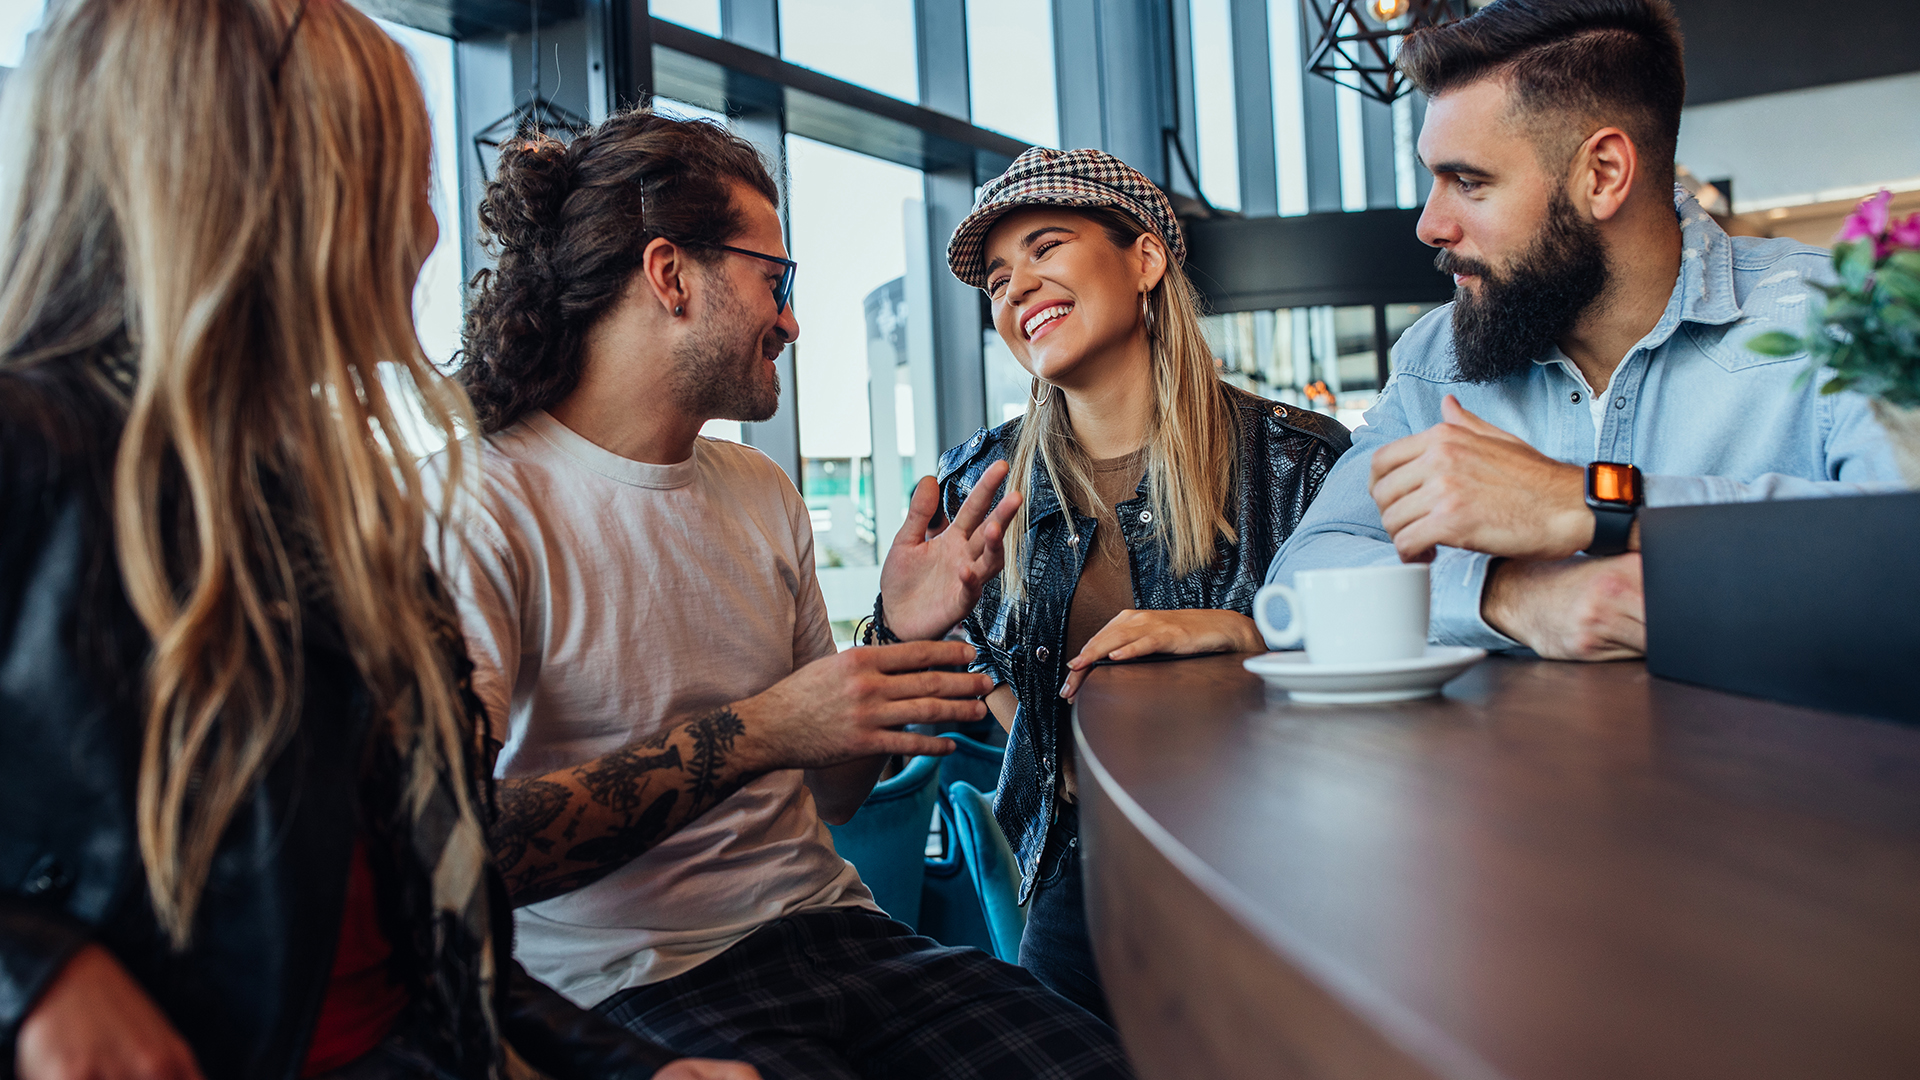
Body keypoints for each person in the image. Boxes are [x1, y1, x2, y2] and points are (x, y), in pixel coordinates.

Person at [0, 3, 756, 1079]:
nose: (429, 232)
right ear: (262, 185)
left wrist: (626, 1069)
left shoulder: (329, 509)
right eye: (399, 180)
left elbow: (439, 944)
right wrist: (35, 975)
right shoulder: (31, 446)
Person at [434, 108, 1135, 1080]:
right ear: (670, 274)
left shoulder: (759, 491)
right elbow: (465, 852)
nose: (794, 320)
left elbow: (835, 792)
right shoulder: (476, 504)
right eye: (777, 280)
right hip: (628, 984)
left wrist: (890, 634)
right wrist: (760, 729)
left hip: (836, 934)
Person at [1268, 0, 1901, 660]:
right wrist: (1509, 597)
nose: (1431, 225)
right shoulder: (1437, 358)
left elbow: (1899, 550)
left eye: (1468, 181)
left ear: (1602, 175)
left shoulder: (1840, 316)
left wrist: (1593, 503)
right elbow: (1305, 570)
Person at [887, 147, 1351, 1022]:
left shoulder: (1299, 462)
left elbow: (1389, 656)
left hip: (1281, 871)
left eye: (1047, 248)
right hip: (1076, 888)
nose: (1015, 287)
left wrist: (1251, 638)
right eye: (995, 278)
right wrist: (1064, 760)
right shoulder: (974, 482)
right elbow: (979, 658)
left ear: (1144, 260)